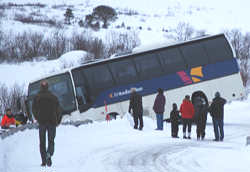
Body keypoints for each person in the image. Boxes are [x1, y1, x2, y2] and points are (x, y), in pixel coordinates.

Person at [32, 80, 62, 167]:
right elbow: (59, 110)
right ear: (48, 87)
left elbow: (33, 110)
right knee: (51, 140)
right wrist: (58, 121)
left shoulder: (36, 97)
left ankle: (44, 161)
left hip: (42, 122)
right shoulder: (53, 97)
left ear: (40, 87)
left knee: (42, 142)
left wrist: (38, 117)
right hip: (52, 122)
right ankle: (49, 154)